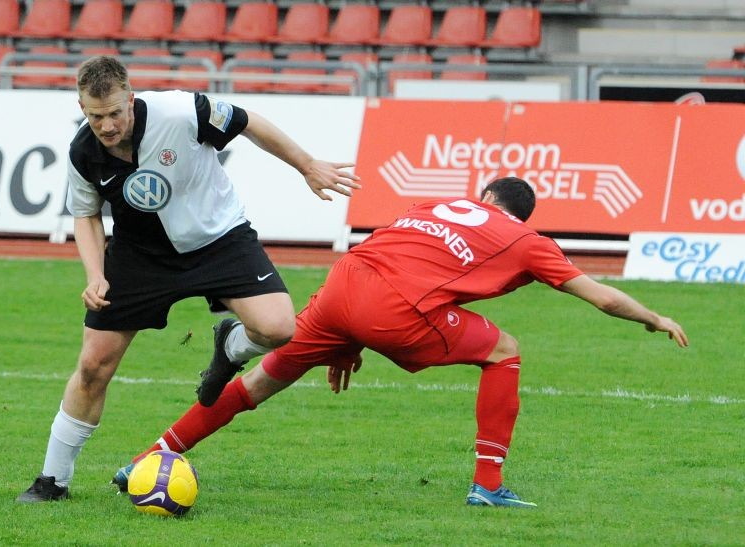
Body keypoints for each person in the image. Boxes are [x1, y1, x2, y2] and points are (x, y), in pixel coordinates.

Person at [112, 177, 688, 508]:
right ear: (522, 214)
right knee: (504, 349)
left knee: (262, 382)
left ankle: (150, 458)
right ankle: (488, 485)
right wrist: (652, 316)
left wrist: (344, 341)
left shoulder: (431, 205)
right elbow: (602, 297)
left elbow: (386, 253)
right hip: (395, 311)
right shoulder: (526, 238)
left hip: (344, 284)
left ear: (484, 193)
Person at [16, 55, 361, 503]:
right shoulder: (83, 151)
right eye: (94, 116)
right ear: (82, 108)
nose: (106, 125)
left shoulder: (181, 112)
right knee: (92, 365)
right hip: (141, 256)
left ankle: (229, 348)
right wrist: (95, 275)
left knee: (277, 327)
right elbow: (85, 217)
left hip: (218, 236)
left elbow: (249, 121)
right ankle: (52, 481)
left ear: (132, 100)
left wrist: (307, 164)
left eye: (115, 113)